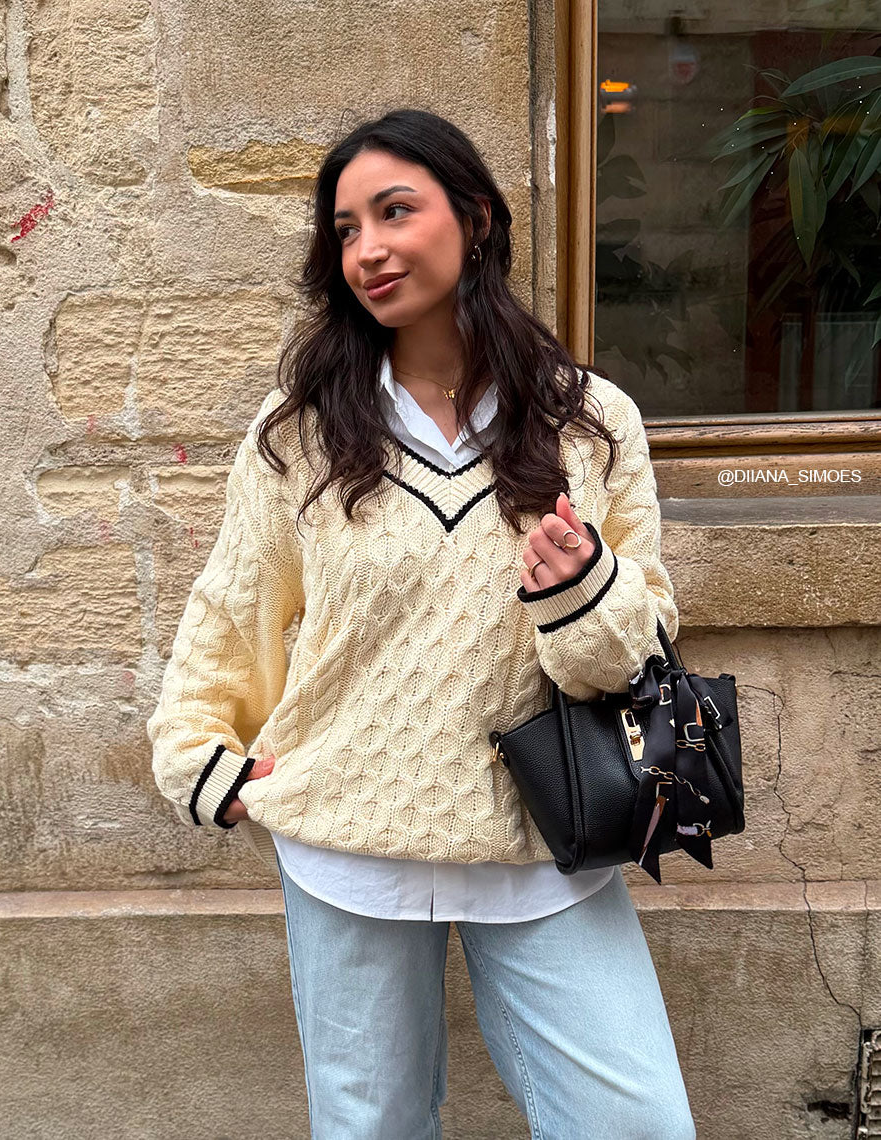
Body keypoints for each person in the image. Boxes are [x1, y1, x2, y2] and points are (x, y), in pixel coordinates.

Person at [147, 107, 697, 1140]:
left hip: (541, 834)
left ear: (475, 217)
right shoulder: (298, 432)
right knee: (371, 1129)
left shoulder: (591, 421)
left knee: (639, 1125)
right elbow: (233, 610)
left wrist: (582, 587)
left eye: (395, 211)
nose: (368, 250)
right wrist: (203, 766)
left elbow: (641, 648)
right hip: (348, 836)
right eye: (346, 228)